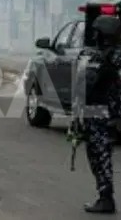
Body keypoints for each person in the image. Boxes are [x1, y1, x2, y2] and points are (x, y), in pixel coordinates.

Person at [72, 14, 121, 213]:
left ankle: (106, 197)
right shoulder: (103, 56)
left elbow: (88, 87)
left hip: (102, 113)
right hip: (103, 112)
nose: (94, 36)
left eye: (97, 32)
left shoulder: (105, 58)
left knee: (99, 155)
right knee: (98, 154)